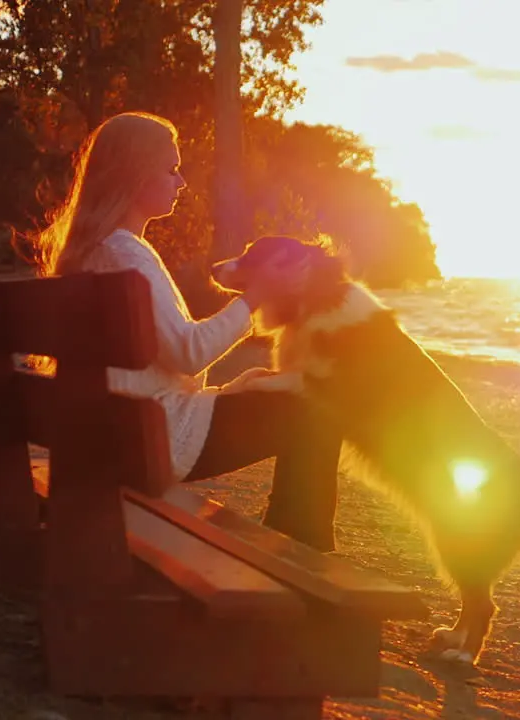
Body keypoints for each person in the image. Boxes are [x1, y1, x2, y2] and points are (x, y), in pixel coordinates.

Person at [28, 110, 342, 551]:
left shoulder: (92, 253)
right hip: (155, 439)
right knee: (317, 411)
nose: (181, 182)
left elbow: (162, 365)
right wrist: (256, 296)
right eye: (172, 170)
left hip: (114, 432)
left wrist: (231, 391)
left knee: (285, 398)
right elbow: (189, 352)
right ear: (137, 176)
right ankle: (304, 548)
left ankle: (290, 534)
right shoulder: (128, 256)